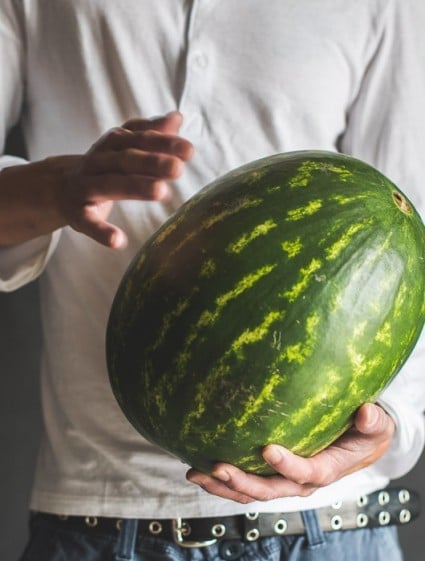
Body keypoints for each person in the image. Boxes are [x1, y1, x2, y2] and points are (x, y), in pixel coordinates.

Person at [1, 1, 424, 560]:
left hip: (332, 526)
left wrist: (382, 425)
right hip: (100, 516)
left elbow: (409, 243)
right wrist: (60, 186)